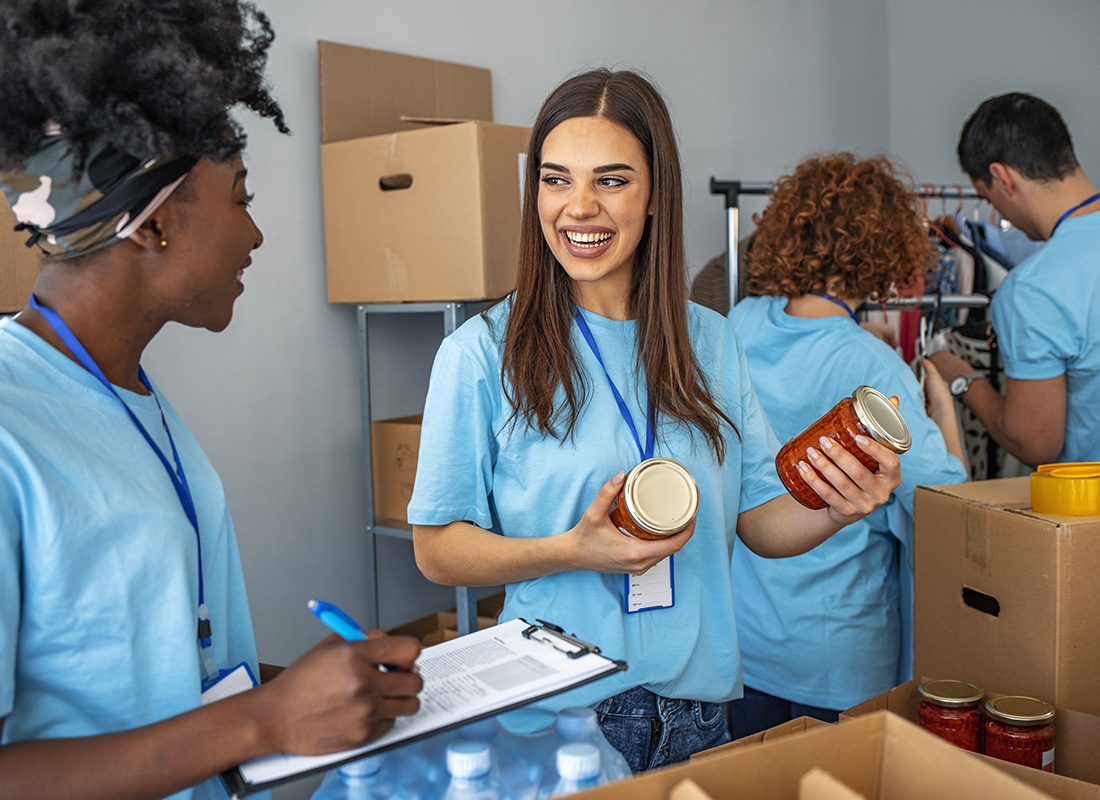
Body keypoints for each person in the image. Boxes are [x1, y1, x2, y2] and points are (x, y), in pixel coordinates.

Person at [407, 70, 902, 773]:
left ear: (655, 196)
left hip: (698, 717)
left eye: (611, 180)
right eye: (556, 180)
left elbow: (759, 521)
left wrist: (840, 508)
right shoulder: (482, 355)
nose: (579, 208)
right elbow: (436, 548)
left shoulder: (711, 343)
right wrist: (573, 549)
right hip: (562, 717)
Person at [0, 3, 421, 798]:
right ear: (152, 230)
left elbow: (146, 675)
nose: (255, 235)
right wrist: (263, 723)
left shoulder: (125, 390)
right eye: (241, 196)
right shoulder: (10, 425)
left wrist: (306, 693)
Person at [724, 154, 968, 736]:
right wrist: (947, 415)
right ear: (886, 253)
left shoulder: (740, 322)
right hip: (838, 659)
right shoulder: (873, 366)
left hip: (746, 644)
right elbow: (946, 502)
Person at [930, 93, 1100, 465]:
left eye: (987, 198)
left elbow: (1035, 442)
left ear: (1001, 177)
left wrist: (963, 379)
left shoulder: (1034, 289)